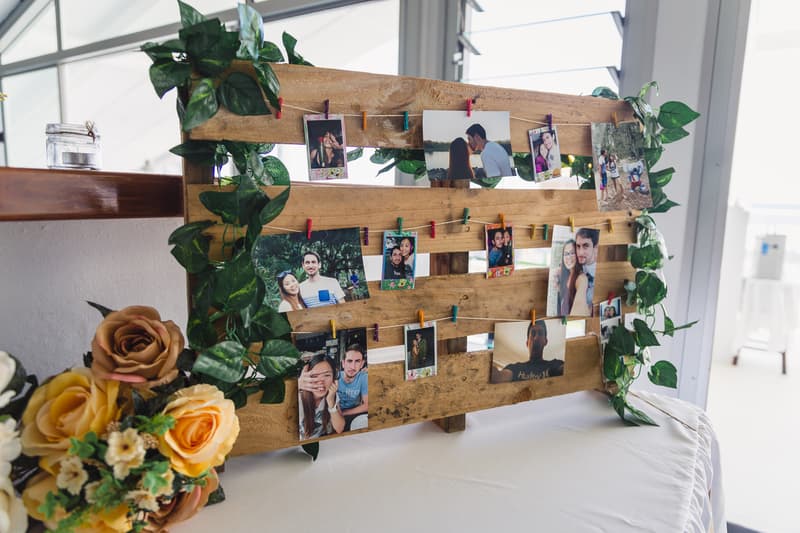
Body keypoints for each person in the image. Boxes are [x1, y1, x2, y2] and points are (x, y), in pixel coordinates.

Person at [491, 320, 564, 382]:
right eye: (533, 333)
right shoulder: (515, 368)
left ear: (545, 341)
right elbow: (499, 376)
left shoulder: (555, 364)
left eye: (540, 333)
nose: (536, 338)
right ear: (527, 343)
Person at [297, 353, 345, 440]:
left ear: (334, 378)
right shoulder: (298, 397)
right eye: (314, 376)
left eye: (327, 375)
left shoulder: (331, 394)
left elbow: (339, 428)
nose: (320, 382)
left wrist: (330, 402)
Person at [336, 344, 368, 431]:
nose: (353, 367)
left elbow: (367, 405)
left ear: (362, 364)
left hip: (353, 412)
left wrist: (344, 413)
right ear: (343, 363)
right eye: (349, 361)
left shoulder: (363, 377)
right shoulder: (335, 377)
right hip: (334, 414)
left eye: (357, 361)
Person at [575, 228, 599, 316]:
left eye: (585, 246)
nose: (580, 252)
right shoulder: (574, 266)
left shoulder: (599, 272)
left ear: (595, 247)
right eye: (578, 246)